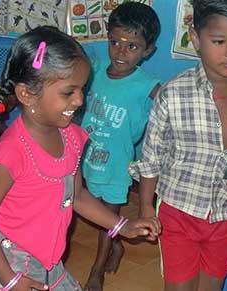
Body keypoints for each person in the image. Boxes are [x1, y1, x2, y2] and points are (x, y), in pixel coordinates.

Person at [0, 26, 160, 291]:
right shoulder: (11, 152)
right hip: (7, 264)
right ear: (27, 94)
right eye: (69, 92)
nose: (79, 100)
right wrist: (9, 279)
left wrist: (122, 226)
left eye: (82, 89)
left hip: (47, 261)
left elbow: (75, 195)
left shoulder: (72, 138)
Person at [129, 0, 227, 290]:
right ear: (195, 38)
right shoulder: (173, 94)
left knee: (213, 285)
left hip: (226, 216)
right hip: (179, 212)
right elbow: (151, 158)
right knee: (179, 287)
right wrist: (145, 208)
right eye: (219, 41)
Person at [80, 3, 161, 290]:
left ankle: (97, 268)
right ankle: (117, 247)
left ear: (148, 50)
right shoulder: (94, 70)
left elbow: (171, 104)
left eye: (132, 46)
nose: (120, 52)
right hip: (86, 160)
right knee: (88, 206)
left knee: (109, 218)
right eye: (115, 42)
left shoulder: (148, 85)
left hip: (117, 165)